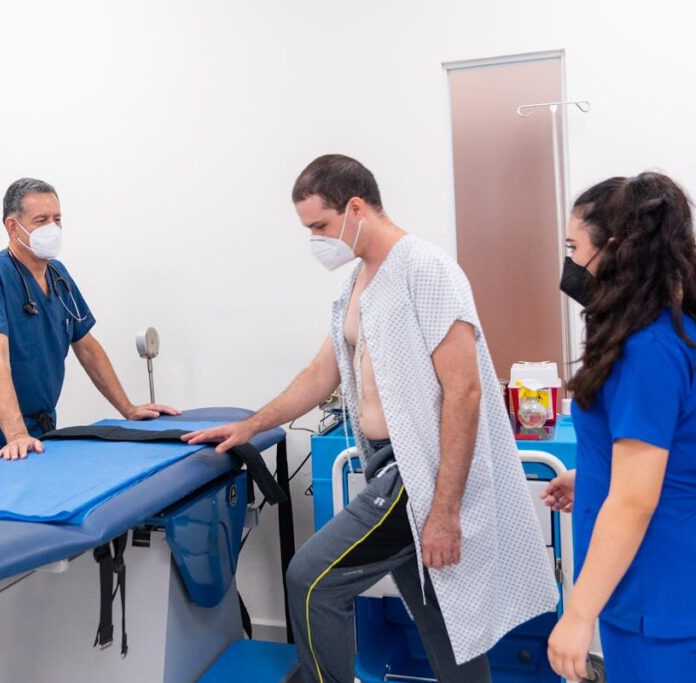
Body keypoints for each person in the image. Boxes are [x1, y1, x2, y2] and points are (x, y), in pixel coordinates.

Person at [186, 154, 557, 683]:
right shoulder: (354, 284)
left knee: (311, 581)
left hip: (418, 472)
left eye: (319, 225)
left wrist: (446, 510)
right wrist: (251, 423)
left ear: (355, 207)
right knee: (441, 617)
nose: (315, 239)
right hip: (385, 463)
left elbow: (466, 390)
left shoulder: (424, 269)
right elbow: (323, 373)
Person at [544, 173, 696, 681]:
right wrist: (592, 478)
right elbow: (672, 454)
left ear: (613, 249)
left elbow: (636, 499)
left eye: (573, 247)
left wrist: (578, 614)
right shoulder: (675, 331)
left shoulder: (645, 350)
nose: (569, 264)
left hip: (655, 592)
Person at [0, 177, 178, 466]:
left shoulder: (58, 276)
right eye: (41, 220)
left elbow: (87, 346)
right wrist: (17, 434)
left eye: (57, 219)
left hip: (42, 426)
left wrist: (128, 408)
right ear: (12, 226)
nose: (52, 228)